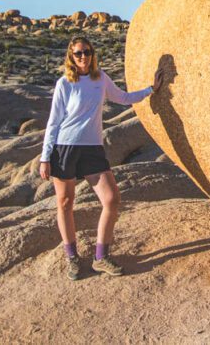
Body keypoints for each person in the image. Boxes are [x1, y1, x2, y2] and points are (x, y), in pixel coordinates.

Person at [39, 35, 162, 280]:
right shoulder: (64, 83)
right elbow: (54, 122)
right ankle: (72, 258)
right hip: (65, 147)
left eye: (87, 52)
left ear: (93, 54)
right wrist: (45, 157)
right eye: (78, 53)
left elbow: (124, 98)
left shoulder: (101, 79)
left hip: (92, 149)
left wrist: (151, 89)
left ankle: (100, 257)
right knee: (65, 203)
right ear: (71, 57)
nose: (83, 56)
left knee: (112, 199)